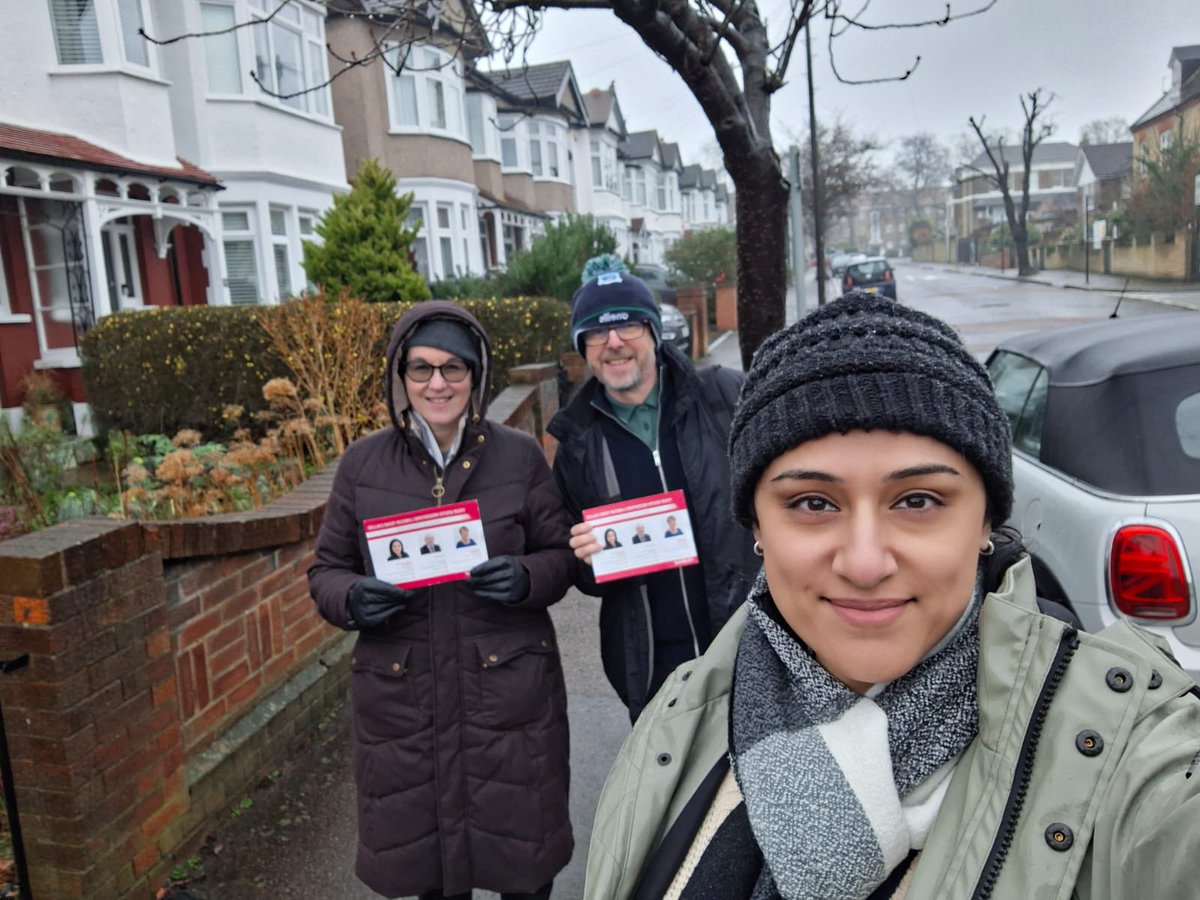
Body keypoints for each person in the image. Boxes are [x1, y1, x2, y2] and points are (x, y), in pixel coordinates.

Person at [584, 292, 1200, 900]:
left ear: (985, 522)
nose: (864, 563)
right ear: (758, 529)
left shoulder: (1128, 751)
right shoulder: (680, 714)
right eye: (813, 503)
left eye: (917, 500)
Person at [308, 301, 574, 900]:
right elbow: (326, 570)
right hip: (405, 702)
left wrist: (526, 576)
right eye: (421, 368)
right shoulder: (363, 464)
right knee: (432, 876)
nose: (437, 383)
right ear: (400, 376)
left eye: (454, 367)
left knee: (523, 870)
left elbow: (562, 555)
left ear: (476, 375)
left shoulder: (519, 456)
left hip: (507, 698)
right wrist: (351, 597)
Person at [549, 271, 758, 721]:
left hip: (749, 650)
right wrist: (586, 560)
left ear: (653, 332)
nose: (614, 342)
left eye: (627, 325)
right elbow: (581, 574)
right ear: (584, 347)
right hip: (653, 670)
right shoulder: (577, 443)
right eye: (596, 332)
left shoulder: (724, 396)